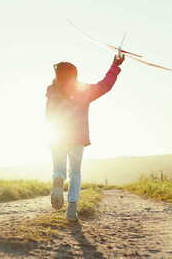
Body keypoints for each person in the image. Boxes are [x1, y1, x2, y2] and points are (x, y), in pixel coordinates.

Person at [45, 52, 125, 221]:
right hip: (77, 137)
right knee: (75, 173)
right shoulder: (83, 91)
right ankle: (72, 207)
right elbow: (105, 86)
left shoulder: (52, 90)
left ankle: (58, 181)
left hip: (57, 135)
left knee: (58, 169)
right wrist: (115, 66)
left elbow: (48, 115)